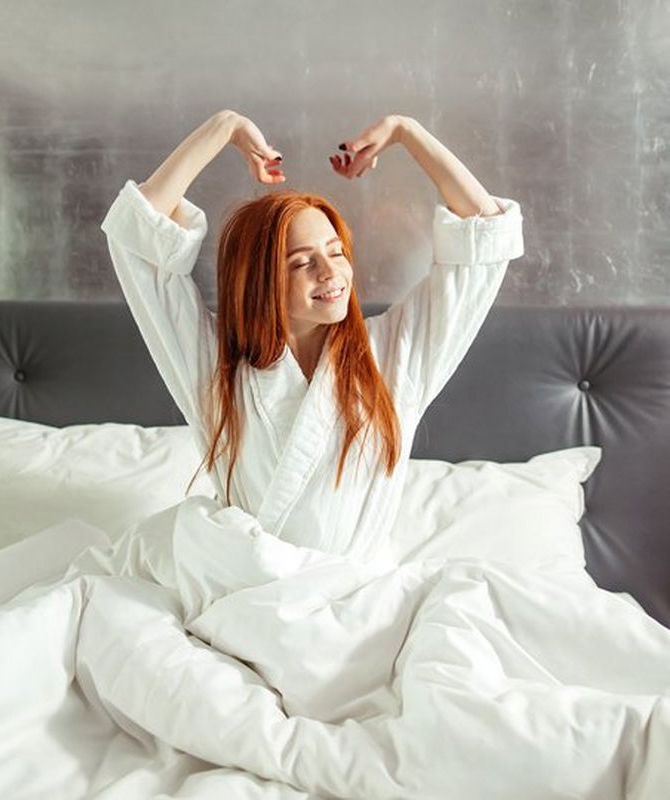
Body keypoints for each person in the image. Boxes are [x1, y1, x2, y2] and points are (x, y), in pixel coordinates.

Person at [99, 109, 524, 563]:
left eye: (337, 252)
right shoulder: (215, 363)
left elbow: (485, 234)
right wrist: (224, 128)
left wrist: (406, 131)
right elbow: (138, 234)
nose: (331, 273)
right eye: (302, 262)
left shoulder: (396, 352)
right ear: (260, 280)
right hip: (246, 592)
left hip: (356, 598)